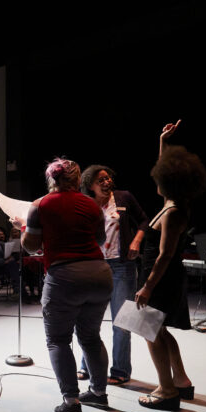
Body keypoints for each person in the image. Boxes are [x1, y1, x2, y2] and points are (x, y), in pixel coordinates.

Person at [20, 157, 112, 412]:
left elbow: (31, 246)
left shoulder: (40, 205)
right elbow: (101, 239)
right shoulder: (92, 205)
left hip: (65, 276)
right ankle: (98, 393)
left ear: (52, 179)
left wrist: (23, 227)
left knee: (59, 339)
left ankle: (71, 401)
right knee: (91, 337)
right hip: (99, 274)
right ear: (77, 178)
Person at [134, 120, 206, 412]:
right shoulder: (169, 202)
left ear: (169, 182)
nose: (156, 177)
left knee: (150, 330)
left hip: (162, 277)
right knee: (160, 330)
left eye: (160, 176)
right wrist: (162, 140)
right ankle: (181, 381)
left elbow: (165, 254)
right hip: (159, 275)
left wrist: (148, 287)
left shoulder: (173, 211)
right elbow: (163, 164)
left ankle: (166, 390)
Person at [77, 164, 149, 385]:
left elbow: (145, 221)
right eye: (101, 180)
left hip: (121, 266)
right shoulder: (85, 203)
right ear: (90, 185)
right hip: (94, 266)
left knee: (121, 322)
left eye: (108, 178)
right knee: (89, 321)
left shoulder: (123, 197)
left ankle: (120, 371)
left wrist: (136, 241)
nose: (107, 182)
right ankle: (87, 366)